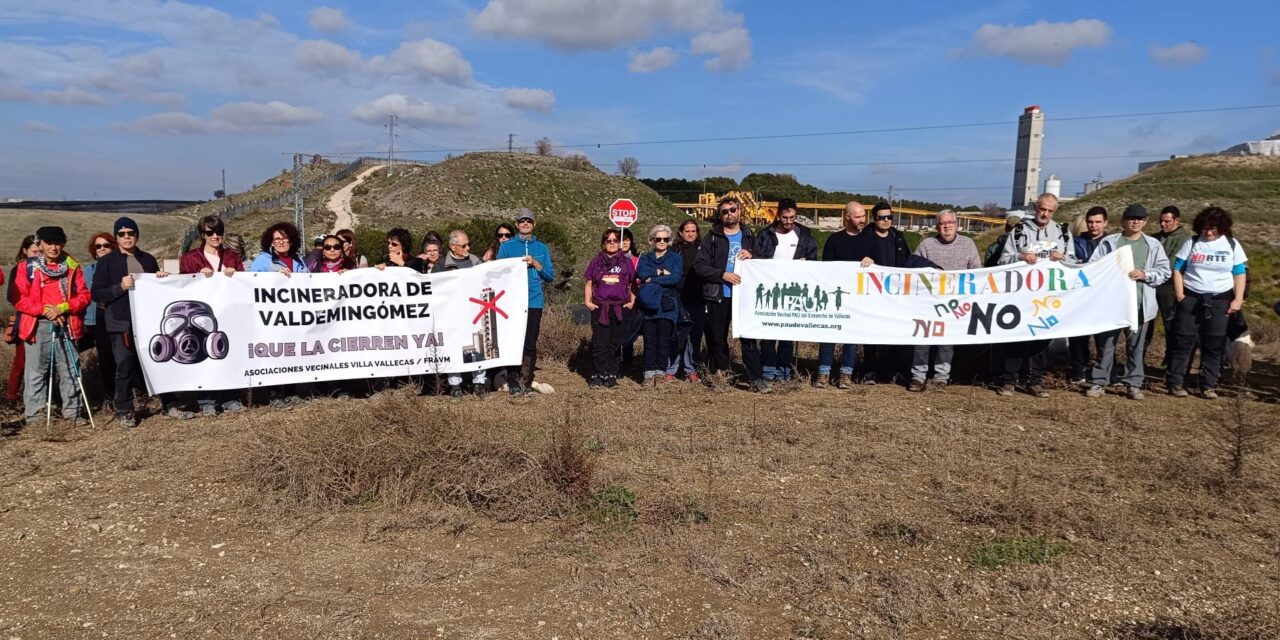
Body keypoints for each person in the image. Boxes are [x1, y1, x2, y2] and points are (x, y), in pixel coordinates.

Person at [92, 217, 190, 427]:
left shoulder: (147, 259)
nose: (127, 237)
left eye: (131, 233)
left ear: (136, 235)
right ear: (117, 237)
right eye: (122, 234)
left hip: (148, 322)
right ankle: (125, 410)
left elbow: (156, 289)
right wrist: (120, 287)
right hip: (121, 324)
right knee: (124, 365)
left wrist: (161, 279)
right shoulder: (106, 262)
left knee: (159, 361)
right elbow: (97, 293)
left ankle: (169, 404)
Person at [1083, 204, 1170, 401]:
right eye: (1131, 218)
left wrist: (1145, 274)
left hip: (1140, 304)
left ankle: (1134, 384)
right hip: (1112, 304)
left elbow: (1164, 271)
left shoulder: (1153, 245)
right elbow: (1094, 267)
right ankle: (1099, 381)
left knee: (1136, 347)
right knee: (1106, 345)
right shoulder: (1110, 242)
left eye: (1140, 218)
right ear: (1123, 221)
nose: (1136, 222)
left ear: (1145, 222)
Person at [996, 193, 1076, 397]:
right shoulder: (1019, 231)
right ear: (1035, 209)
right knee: (1015, 337)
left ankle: (1034, 380)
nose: (1045, 214)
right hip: (1021, 295)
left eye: (1050, 211)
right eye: (1042, 209)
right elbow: (1003, 260)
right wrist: (1020, 256)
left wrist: (1063, 258)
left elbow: (1074, 263)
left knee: (1041, 337)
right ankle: (1009, 380)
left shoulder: (1063, 233)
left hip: (1047, 296)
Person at [1166, 206, 1247, 399]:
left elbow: (1239, 272)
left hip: (1220, 301)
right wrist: (1180, 296)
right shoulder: (1192, 243)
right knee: (1182, 341)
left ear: (1221, 228)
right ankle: (1176, 382)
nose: (1208, 233)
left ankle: (1208, 385)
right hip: (1191, 298)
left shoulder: (1231, 244)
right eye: (1205, 228)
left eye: (1213, 229)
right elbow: (1178, 268)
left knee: (1214, 343)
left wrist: (1237, 299)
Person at [13, 226, 91, 425]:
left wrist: (63, 308)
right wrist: (46, 310)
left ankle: (73, 414)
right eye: (49, 243)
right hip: (37, 324)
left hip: (67, 323)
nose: (54, 248)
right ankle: (35, 416)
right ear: (40, 244)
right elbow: (19, 298)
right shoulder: (26, 267)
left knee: (70, 370)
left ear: (63, 243)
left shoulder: (73, 267)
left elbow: (84, 296)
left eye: (58, 243)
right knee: (36, 372)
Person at [693, 196, 766, 391]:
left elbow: (765, 262)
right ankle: (722, 375)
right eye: (724, 211)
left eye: (732, 210)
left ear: (739, 211)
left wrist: (754, 256)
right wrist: (722, 274)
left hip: (745, 296)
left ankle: (756, 379)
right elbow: (699, 266)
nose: (729, 214)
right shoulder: (713, 237)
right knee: (718, 338)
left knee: (749, 338)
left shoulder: (750, 236)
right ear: (720, 215)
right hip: (720, 294)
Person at [178, 215, 247, 415]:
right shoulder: (190, 258)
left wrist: (236, 275)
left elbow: (244, 284)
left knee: (227, 353)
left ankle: (230, 397)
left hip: (228, 314)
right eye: (210, 233)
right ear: (202, 235)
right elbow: (181, 286)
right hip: (200, 316)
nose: (215, 236)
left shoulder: (231, 257)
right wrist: (197, 277)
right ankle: (206, 400)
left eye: (219, 232)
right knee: (204, 354)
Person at [908, 210, 981, 392]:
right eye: (942, 223)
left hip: (955, 303)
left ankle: (941, 377)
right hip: (928, 302)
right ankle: (918, 377)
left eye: (950, 222)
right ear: (937, 226)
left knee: (947, 342)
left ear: (957, 224)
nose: (947, 226)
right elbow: (912, 266)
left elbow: (977, 271)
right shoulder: (927, 244)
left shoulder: (968, 244)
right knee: (922, 341)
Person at [247, 222, 311, 410]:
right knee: (274, 353)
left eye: (284, 238)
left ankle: (291, 392)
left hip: (294, 317)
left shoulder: (299, 261)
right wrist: (275, 277)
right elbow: (252, 281)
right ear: (271, 242)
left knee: (291, 353)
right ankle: (275, 394)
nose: (281, 242)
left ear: (291, 240)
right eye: (277, 239)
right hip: (272, 318)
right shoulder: (263, 260)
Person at [754, 198, 817, 382]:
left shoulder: (804, 235)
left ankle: (784, 371)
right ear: (778, 215)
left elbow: (813, 258)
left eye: (792, 217)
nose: (789, 222)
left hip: (793, 292)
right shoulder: (765, 234)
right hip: (770, 290)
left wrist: (808, 262)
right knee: (768, 333)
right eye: (785, 217)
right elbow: (757, 258)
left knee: (787, 334)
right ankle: (767, 370)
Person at [496, 208, 554, 395]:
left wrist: (536, 264)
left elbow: (550, 276)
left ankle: (527, 382)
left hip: (534, 302)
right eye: (522, 221)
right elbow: (499, 273)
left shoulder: (542, 248)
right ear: (517, 224)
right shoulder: (507, 246)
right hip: (512, 303)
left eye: (529, 220)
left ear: (534, 224)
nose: (525, 223)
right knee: (513, 342)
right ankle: (513, 383)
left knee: (530, 343)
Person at [854, 201, 912, 384]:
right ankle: (870, 370)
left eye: (889, 217)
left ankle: (895, 371)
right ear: (875, 219)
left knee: (896, 333)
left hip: (896, 294)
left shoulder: (899, 237)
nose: (886, 221)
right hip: (872, 293)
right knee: (871, 334)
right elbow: (854, 260)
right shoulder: (864, 237)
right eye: (882, 217)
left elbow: (908, 262)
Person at [815, 202, 867, 389]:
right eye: (858, 216)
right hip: (834, 295)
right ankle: (823, 372)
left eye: (863, 216)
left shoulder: (869, 240)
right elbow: (826, 269)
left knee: (850, 335)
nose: (863, 220)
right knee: (829, 332)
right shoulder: (833, 240)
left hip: (857, 296)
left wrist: (871, 261)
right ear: (847, 217)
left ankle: (846, 373)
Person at [584, 228, 635, 388]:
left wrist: (632, 301)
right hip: (600, 307)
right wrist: (588, 302)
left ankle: (611, 374)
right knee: (600, 343)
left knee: (614, 343)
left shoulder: (626, 262)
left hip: (619, 308)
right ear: (603, 243)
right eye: (609, 241)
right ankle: (598, 374)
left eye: (615, 240)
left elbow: (633, 282)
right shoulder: (596, 261)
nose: (612, 243)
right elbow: (589, 282)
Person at [636, 224, 683, 384]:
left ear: (669, 241)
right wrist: (662, 272)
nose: (662, 242)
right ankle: (648, 374)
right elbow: (642, 273)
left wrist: (652, 277)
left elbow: (675, 278)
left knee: (663, 340)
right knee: (649, 340)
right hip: (649, 305)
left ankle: (660, 373)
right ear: (652, 240)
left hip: (667, 304)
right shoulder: (645, 258)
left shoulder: (676, 258)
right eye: (658, 239)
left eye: (666, 239)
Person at [1068, 206, 1109, 384]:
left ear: (1105, 223)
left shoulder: (1112, 242)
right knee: (1078, 335)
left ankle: (1102, 372)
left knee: (1103, 338)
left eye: (1098, 222)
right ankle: (1078, 371)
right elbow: (1067, 259)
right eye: (1090, 222)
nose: (1094, 226)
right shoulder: (1076, 242)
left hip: (1103, 295)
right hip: (1080, 296)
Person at [80, 233, 117, 401]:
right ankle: (110, 395)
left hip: (117, 316)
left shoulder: (119, 267)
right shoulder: (89, 270)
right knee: (105, 357)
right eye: (98, 246)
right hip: (96, 318)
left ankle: (132, 392)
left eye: (106, 245)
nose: (102, 248)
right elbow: (84, 294)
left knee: (122, 356)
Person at [666, 219, 703, 382]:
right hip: (677, 296)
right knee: (676, 334)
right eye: (687, 230)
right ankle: (671, 369)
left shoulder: (703, 250)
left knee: (694, 335)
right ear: (681, 233)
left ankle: (691, 369)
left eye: (693, 231)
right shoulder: (674, 250)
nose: (690, 234)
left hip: (698, 297)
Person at [6, 237, 40, 404]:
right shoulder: (18, 269)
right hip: (25, 318)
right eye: (34, 251)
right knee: (22, 359)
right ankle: (12, 396)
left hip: (44, 316)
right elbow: (11, 296)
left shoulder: (48, 269)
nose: (37, 255)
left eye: (40, 252)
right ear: (25, 251)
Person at [1153, 206, 1189, 365]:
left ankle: (1172, 359)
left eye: (1167, 221)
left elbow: (1172, 264)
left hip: (1170, 286)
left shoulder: (1184, 240)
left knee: (1171, 323)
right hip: (1151, 284)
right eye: (1161, 221)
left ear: (1177, 221)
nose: (1163, 224)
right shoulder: (1154, 238)